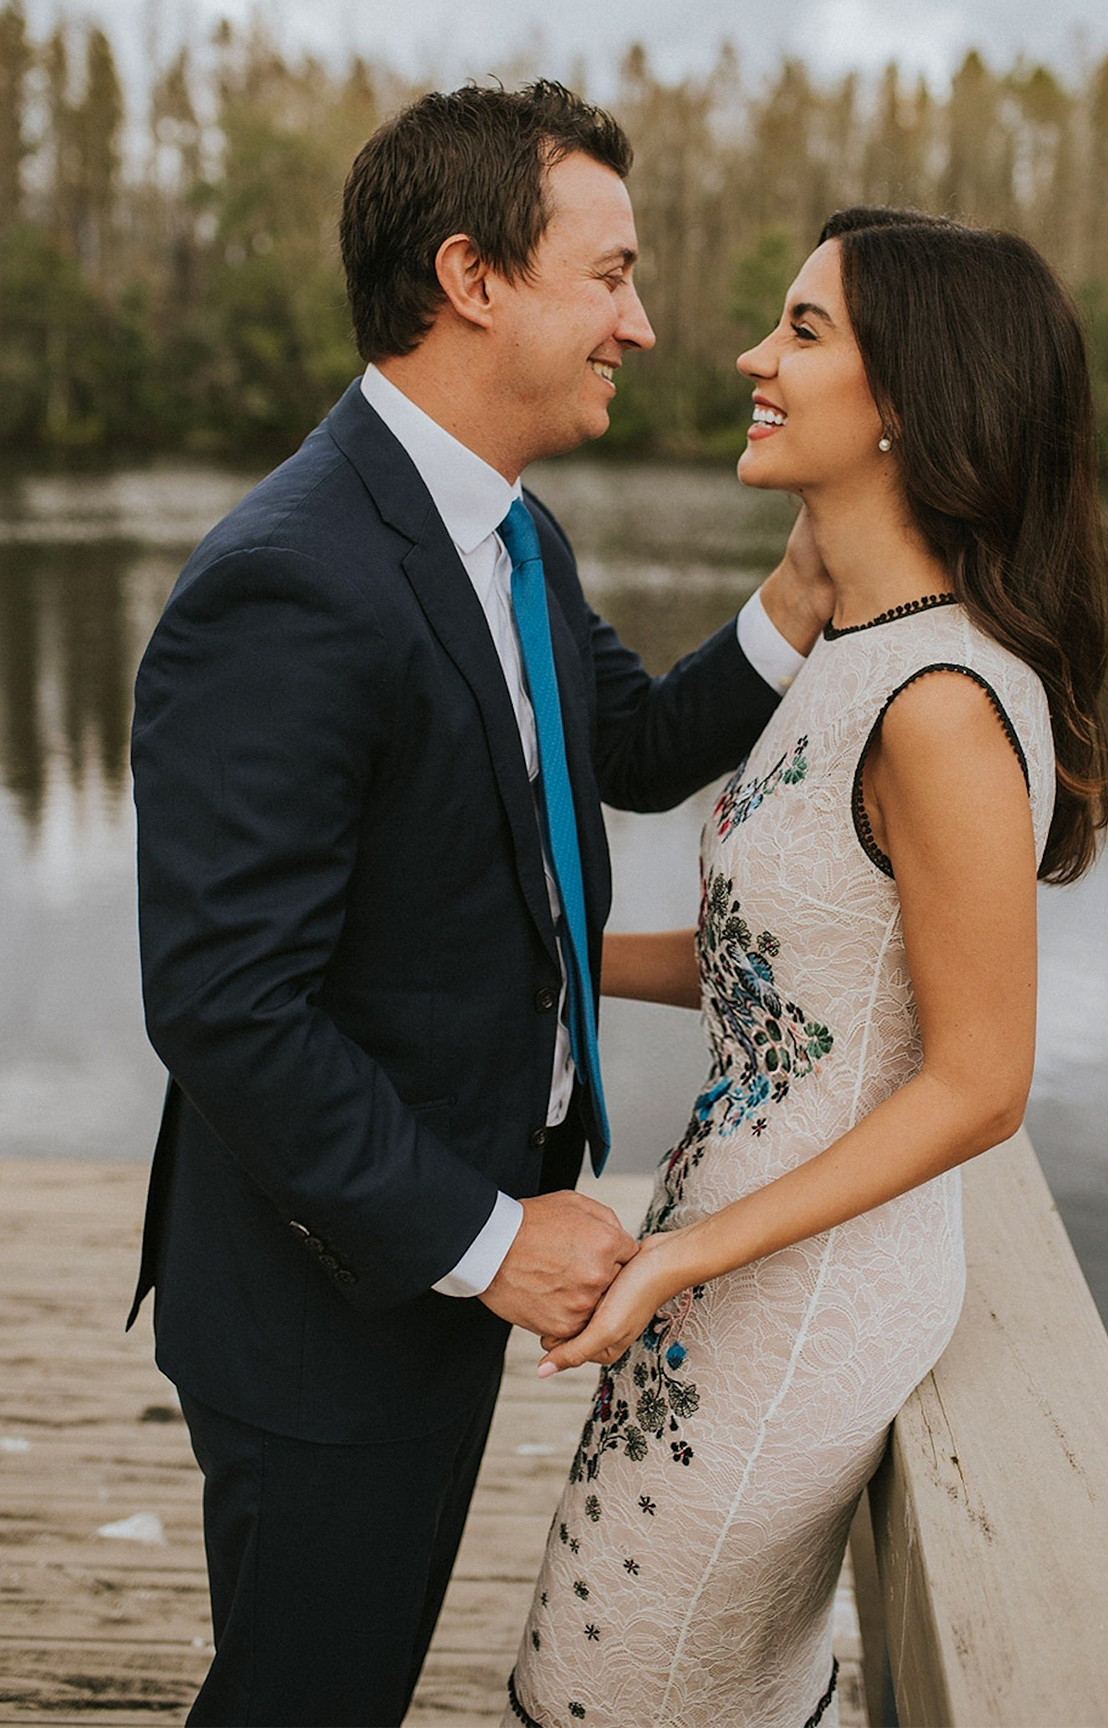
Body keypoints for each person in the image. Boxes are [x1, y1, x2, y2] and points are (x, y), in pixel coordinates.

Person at [127, 82, 831, 1727]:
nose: (642, 324)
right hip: (333, 1293)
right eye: (611, 275)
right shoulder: (290, 577)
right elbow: (228, 1003)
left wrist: (812, 581)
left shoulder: (508, 532)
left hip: (431, 1264)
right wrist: (493, 1242)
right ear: (474, 277)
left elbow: (640, 747)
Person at [506, 206, 1108, 1728]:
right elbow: (777, 976)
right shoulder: (858, 650)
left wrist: (678, 1260)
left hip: (793, 1295)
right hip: (718, 1265)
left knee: (626, 1696)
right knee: (600, 1679)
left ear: (906, 400)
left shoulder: (943, 700)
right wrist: (537, 959)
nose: (748, 357)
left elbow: (980, 1084)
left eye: (803, 332)